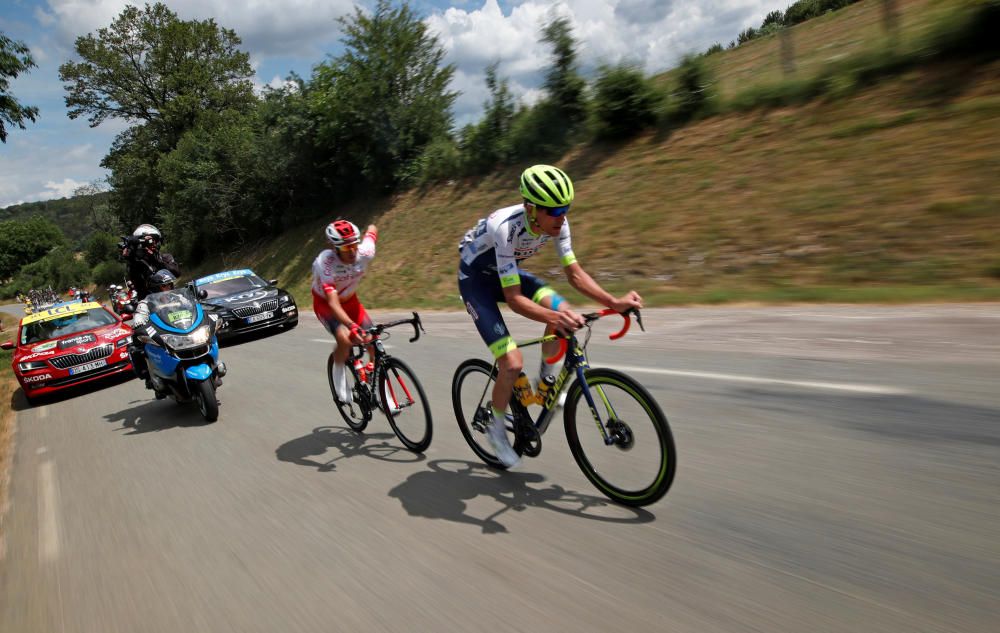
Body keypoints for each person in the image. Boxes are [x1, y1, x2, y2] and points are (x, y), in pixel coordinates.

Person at [457, 164, 643, 467]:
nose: (562, 217)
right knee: (511, 362)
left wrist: (614, 301)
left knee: (563, 310)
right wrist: (555, 320)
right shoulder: (505, 226)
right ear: (531, 209)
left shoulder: (559, 223)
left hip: (507, 273)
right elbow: (515, 300)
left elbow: (574, 274)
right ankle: (495, 429)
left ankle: (546, 383)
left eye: (566, 209)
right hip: (476, 281)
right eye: (554, 211)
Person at [311, 219, 378, 404]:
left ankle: (379, 382)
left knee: (373, 339)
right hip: (326, 305)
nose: (353, 252)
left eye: (354, 246)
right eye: (347, 249)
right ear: (335, 248)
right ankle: (339, 370)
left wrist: (371, 226)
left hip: (351, 302)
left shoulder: (365, 252)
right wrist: (351, 325)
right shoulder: (325, 262)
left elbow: (372, 229)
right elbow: (332, 303)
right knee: (344, 338)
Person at [128, 269, 179, 389]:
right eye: (164, 286)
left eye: (169, 284)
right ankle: (149, 376)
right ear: (156, 288)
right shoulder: (145, 303)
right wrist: (138, 322)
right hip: (161, 334)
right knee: (136, 347)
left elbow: (190, 306)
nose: (168, 288)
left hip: (179, 330)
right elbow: (139, 315)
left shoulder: (177, 297)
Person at [119, 224, 181, 300]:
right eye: (147, 241)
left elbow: (176, 273)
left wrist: (155, 259)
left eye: (154, 240)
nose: (152, 243)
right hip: (149, 304)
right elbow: (137, 282)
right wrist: (131, 257)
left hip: (171, 298)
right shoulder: (137, 263)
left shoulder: (165, 257)